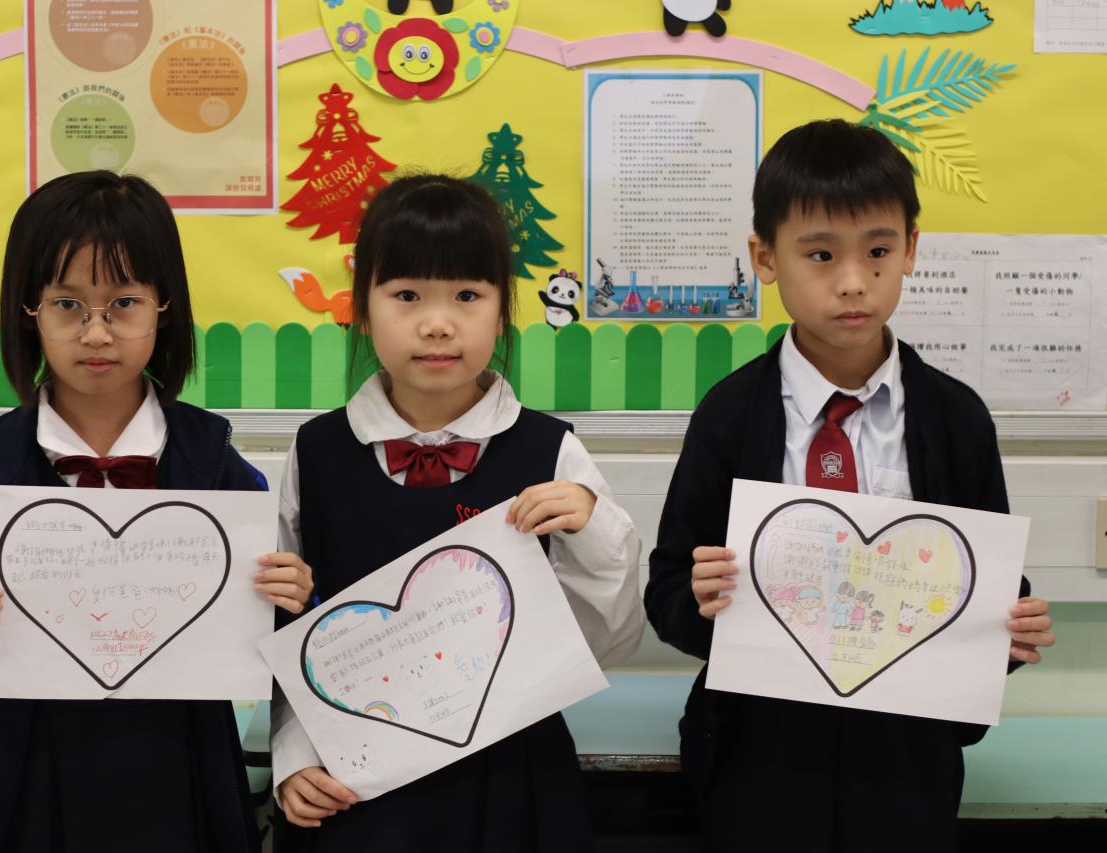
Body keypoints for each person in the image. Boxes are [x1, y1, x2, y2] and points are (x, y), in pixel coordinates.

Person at [644, 120, 1056, 852]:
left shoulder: (956, 417)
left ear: (912, 250)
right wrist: (700, 601)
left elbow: (985, 582)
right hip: (760, 751)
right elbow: (671, 589)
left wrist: (1010, 630)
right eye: (820, 254)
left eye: (878, 251)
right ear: (765, 258)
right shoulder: (729, 415)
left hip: (906, 754)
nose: (853, 281)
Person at [0, 171, 314, 853]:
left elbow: (277, 650)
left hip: (177, 773)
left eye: (123, 302)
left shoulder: (218, 472)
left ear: (163, 307)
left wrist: (294, 602)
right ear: (28, 309)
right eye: (67, 304)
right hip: (17, 780)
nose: (96, 332)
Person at [271, 174, 646, 852]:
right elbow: (288, 627)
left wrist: (592, 529)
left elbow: (610, 641)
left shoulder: (551, 450)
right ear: (361, 310)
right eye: (407, 295)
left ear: (502, 313)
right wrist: (294, 755)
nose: (438, 323)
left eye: (467, 296)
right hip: (359, 779)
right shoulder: (317, 451)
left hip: (513, 773)